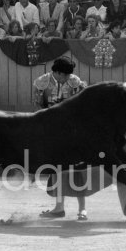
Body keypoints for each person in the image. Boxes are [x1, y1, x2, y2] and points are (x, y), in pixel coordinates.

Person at [33, 57, 88, 220]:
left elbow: (83, 104)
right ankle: (59, 207)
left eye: (68, 75)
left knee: (77, 168)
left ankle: (82, 209)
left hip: (72, 130)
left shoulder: (75, 82)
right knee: (57, 168)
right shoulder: (42, 82)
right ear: (55, 72)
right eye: (63, 75)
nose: (67, 78)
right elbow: (38, 105)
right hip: (52, 130)